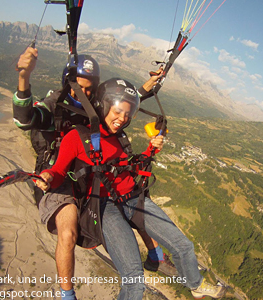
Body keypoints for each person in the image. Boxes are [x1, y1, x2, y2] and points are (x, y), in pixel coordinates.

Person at [36, 78, 226, 300]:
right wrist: (48, 177)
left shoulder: (120, 138)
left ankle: (195, 285)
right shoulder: (77, 137)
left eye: (127, 114)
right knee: (134, 279)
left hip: (133, 199)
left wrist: (150, 150)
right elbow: (59, 171)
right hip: (104, 206)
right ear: (104, 106)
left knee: (183, 246)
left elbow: (128, 166)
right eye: (118, 111)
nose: (122, 119)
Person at [13, 48, 177, 299]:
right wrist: (24, 77)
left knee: (135, 194)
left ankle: (155, 256)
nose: (85, 94)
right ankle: (67, 295)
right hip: (57, 175)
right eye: (80, 87)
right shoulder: (54, 104)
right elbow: (25, 119)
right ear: (68, 82)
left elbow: (120, 106)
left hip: (86, 171)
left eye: (91, 89)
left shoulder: (92, 105)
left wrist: (147, 86)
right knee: (68, 232)